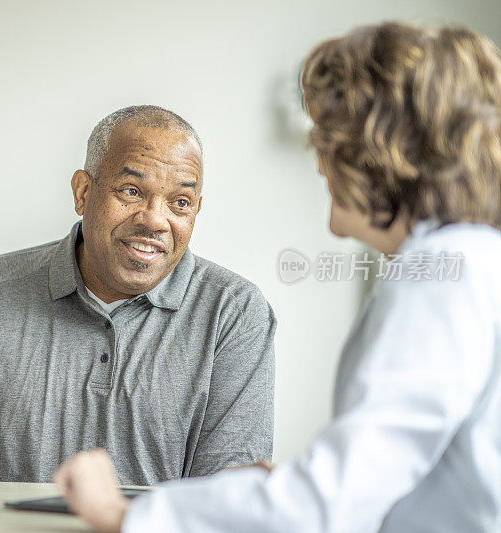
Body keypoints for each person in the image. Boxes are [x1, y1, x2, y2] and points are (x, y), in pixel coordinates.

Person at [53, 22, 501, 532]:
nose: (318, 166)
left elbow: (331, 501)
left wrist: (118, 514)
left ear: (377, 152)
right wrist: (270, 491)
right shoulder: (464, 265)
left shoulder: (441, 279)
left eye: (325, 141)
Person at [0, 105, 277, 486]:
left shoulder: (234, 314)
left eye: (180, 202)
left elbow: (231, 500)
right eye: (132, 191)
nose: (154, 219)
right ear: (83, 192)